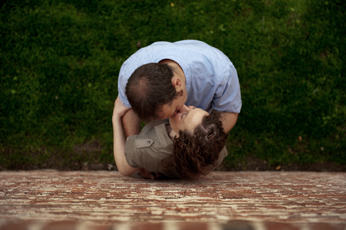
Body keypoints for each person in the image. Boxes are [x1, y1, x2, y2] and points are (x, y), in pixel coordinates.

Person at [117, 40, 242, 138]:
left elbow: (229, 112)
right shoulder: (128, 74)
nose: (171, 121)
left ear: (177, 84)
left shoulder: (221, 73)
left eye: (176, 110)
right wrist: (137, 151)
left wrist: (203, 140)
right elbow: (127, 109)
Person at [112, 97, 228, 179]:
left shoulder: (145, 150)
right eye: (193, 109)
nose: (183, 106)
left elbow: (123, 168)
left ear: (181, 142)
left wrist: (116, 118)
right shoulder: (216, 152)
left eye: (183, 116)